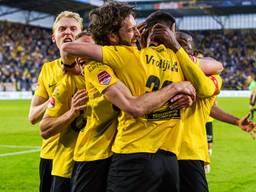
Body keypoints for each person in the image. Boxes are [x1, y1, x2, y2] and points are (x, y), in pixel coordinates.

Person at [61, 3, 221, 191]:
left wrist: (69, 65)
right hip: (99, 154)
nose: (137, 33)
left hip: (130, 153)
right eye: (132, 29)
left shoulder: (134, 56)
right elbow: (215, 65)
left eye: (139, 28)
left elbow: (68, 49)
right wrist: (177, 87)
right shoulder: (102, 64)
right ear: (112, 36)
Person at [175, 31, 255, 191]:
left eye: (183, 48)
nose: (179, 52)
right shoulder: (159, 71)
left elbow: (208, 102)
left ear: (194, 54)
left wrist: (236, 121)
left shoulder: (212, 76)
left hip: (189, 151)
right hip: (159, 151)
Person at [28, 11, 83, 192]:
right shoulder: (48, 69)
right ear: (54, 37)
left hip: (84, 153)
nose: (68, 32)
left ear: (81, 34)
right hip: (51, 154)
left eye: (73, 28)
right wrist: (55, 98)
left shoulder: (95, 66)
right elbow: (33, 116)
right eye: (62, 29)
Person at [39, 31, 92, 192]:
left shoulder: (111, 80)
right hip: (67, 169)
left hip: (96, 166)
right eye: (79, 49)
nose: (83, 53)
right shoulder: (67, 84)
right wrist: (72, 113)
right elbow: (44, 128)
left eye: (88, 47)